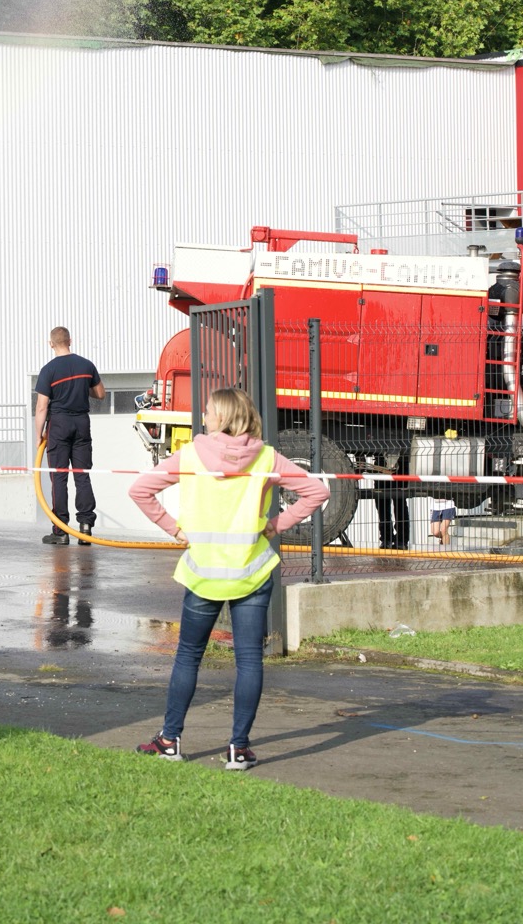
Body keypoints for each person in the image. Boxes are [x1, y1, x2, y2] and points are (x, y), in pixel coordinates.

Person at [128, 387, 330, 770]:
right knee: (249, 660)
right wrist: (277, 524)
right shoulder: (267, 457)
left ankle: (170, 740)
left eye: (208, 411)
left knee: (189, 655)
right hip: (251, 572)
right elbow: (316, 491)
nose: (204, 417)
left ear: (221, 417)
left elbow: (139, 490)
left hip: (203, 573)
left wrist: (173, 528)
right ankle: (239, 749)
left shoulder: (191, 455)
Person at [35, 326, 105, 546]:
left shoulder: (48, 370)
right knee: (82, 475)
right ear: (70, 341)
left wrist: (39, 436)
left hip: (59, 425)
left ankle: (61, 531)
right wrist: (82, 387)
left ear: (51, 344)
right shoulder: (86, 365)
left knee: (59, 477)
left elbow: (41, 407)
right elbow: (100, 394)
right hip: (82, 423)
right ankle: (85, 527)